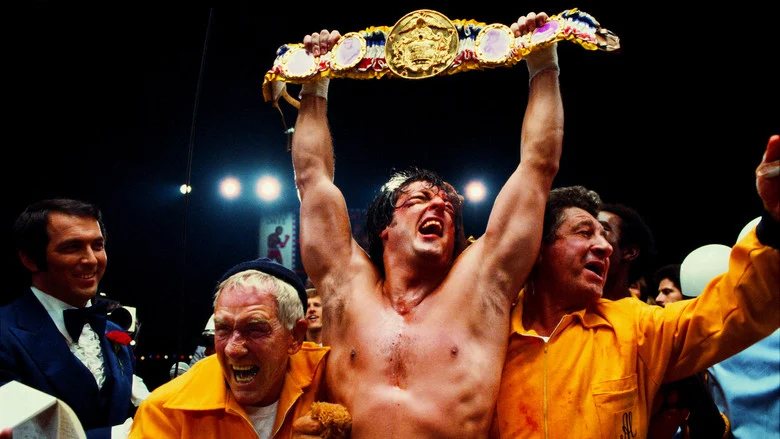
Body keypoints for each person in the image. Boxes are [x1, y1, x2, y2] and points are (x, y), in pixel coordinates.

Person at [292, 11, 563, 437]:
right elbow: (312, 178)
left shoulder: (482, 285)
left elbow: (538, 166)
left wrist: (542, 61)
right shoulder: (346, 285)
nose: (440, 205)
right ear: (385, 228)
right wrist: (314, 83)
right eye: (420, 199)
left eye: (449, 206)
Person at [491, 133, 779, 438]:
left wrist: (774, 226)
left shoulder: (636, 329)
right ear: (536, 247)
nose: (605, 247)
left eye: (604, 235)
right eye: (584, 232)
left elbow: (733, 309)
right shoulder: (489, 332)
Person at [128, 257, 340, 439]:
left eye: (255, 329)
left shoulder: (332, 378)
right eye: (223, 329)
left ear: (295, 337)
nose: (233, 349)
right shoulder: (164, 411)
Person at [0, 198, 142, 439]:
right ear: (30, 259)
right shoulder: (5, 333)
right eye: (72, 247)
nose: (91, 259)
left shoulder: (114, 333)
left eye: (97, 246)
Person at [598, 202, 657, 301]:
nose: (587, 240)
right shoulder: (570, 304)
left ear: (629, 252)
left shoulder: (651, 313)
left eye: (602, 230)